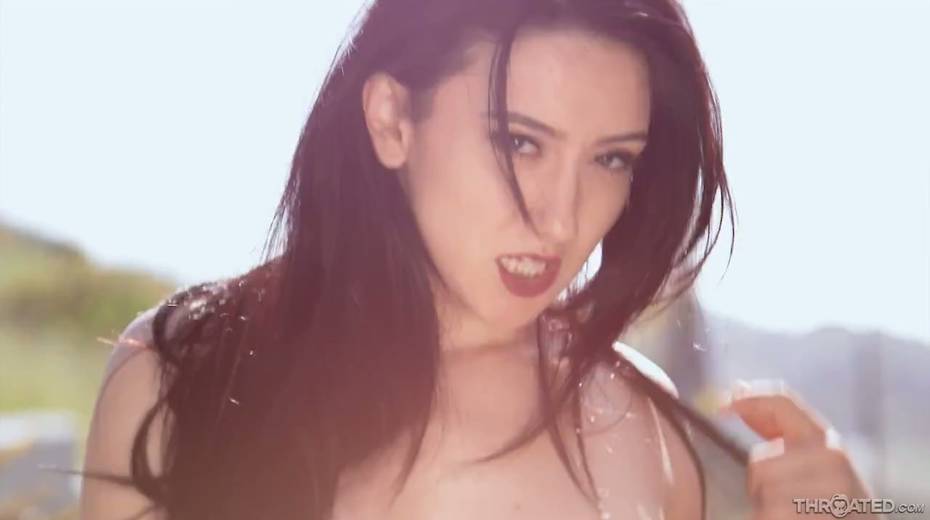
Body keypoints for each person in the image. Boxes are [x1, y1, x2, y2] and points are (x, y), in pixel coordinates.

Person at [77, 0, 878, 518]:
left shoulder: (639, 423)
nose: (560, 218)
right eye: (521, 142)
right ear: (393, 121)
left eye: (611, 159)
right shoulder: (181, 374)